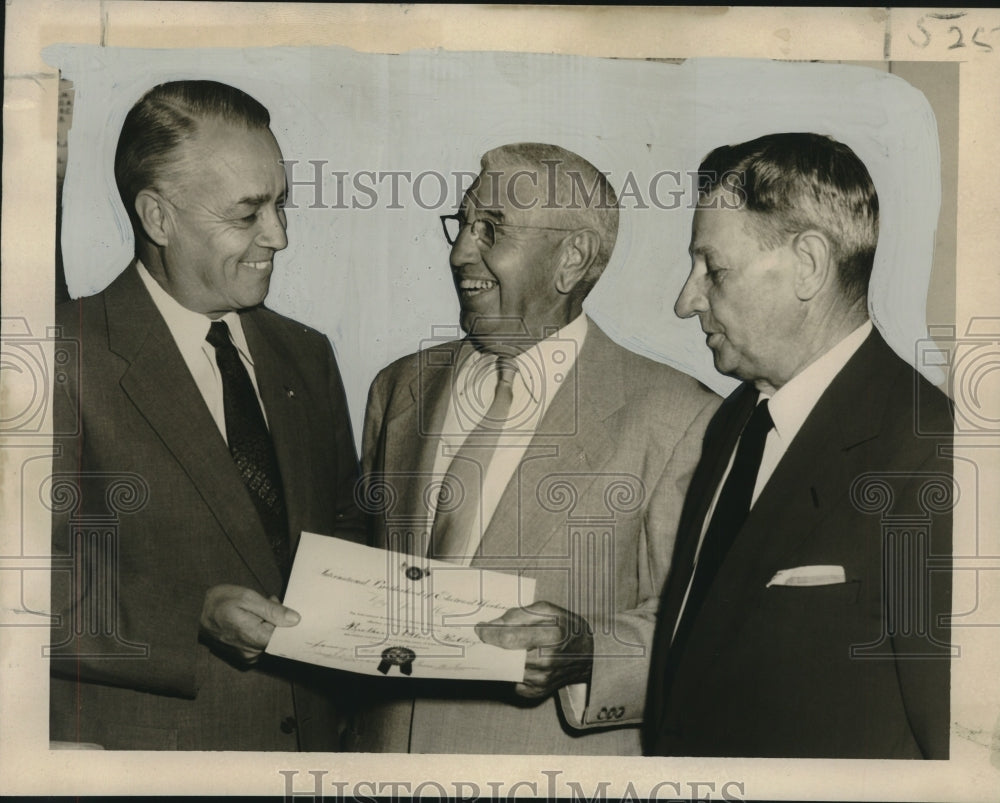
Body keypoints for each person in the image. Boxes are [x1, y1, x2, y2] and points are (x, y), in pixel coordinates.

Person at [347, 143, 720, 754]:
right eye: (463, 224)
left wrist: (589, 653)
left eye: (491, 229)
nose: (460, 252)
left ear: (571, 259)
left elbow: (702, 636)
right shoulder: (398, 389)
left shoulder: (680, 417)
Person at [49, 80, 363, 750]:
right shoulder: (56, 357)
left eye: (281, 205)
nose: (278, 236)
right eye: (247, 215)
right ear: (158, 218)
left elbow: (345, 532)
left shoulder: (307, 355)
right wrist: (189, 614)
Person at [642, 132, 953, 759]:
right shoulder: (732, 421)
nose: (685, 301)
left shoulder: (930, 450)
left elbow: (951, 750)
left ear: (809, 264)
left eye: (714, 269)